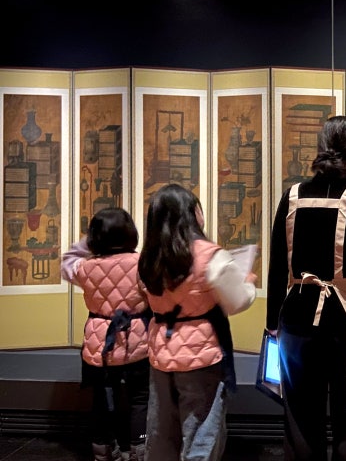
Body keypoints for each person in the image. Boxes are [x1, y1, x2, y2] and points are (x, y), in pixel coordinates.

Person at [266, 115, 346, 461]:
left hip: (296, 315)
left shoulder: (291, 196)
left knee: (300, 415)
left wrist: (272, 323)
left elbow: (277, 265)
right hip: (344, 318)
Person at [137, 183, 258, 461]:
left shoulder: (148, 257)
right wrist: (248, 283)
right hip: (201, 353)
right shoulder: (210, 255)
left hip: (160, 349)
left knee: (162, 429)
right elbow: (237, 301)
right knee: (201, 429)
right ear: (193, 213)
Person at [61, 207, 150, 461]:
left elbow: (67, 262)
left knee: (102, 399)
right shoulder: (142, 264)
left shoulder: (86, 267)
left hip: (99, 344)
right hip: (136, 342)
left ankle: (103, 452)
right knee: (140, 399)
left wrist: (89, 242)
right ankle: (139, 451)